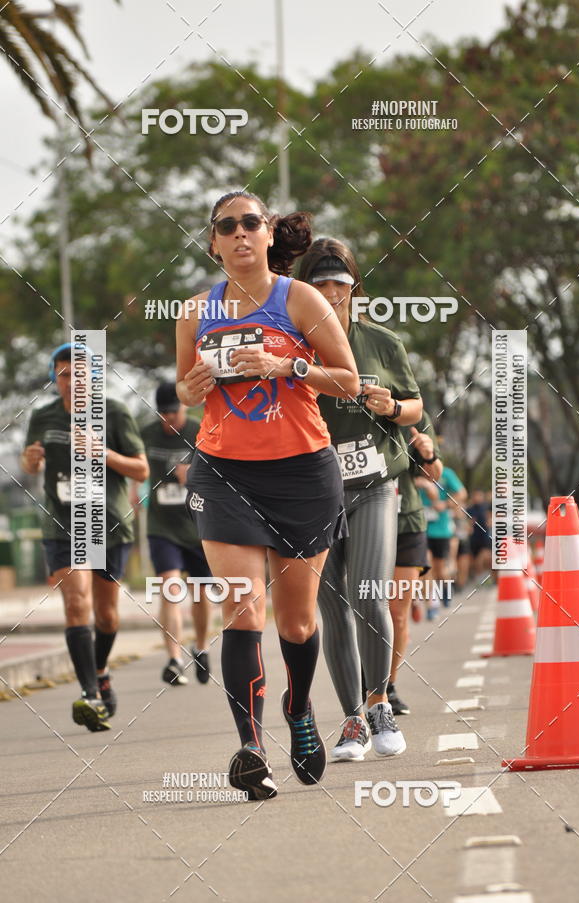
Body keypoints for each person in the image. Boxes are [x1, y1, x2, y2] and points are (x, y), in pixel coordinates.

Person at [176, 191, 359, 799]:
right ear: (213, 242)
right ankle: (251, 748)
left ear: (268, 232)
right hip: (224, 472)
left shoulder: (299, 298)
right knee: (242, 608)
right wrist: (194, 384)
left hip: (304, 472)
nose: (238, 234)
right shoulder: (193, 310)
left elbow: (350, 381)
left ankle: (299, 707)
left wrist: (287, 367)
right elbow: (183, 390)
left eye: (250, 223)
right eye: (225, 227)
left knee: (298, 620)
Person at [298, 238, 423, 762]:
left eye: (341, 285)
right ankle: (351, 721)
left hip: (375, 484)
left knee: (369, 591)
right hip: (312, 488)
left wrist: (392, 405)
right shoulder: (293, 347)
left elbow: (416, 409)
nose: (331, 294)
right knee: (331, 605)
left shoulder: (381, 343)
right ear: (306, 291)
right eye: (321, 286)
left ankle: (378, 705)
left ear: (355, 289)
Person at [21, 344, 148, 731]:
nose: (72, 380)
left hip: (107, 524)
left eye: (80, 373)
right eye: (63, 373)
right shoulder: (42, 417)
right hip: (61, 523)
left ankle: (100, 669)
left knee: (107, 615)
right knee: (77, 605)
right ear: (53, 378)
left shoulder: (114, 412)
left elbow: (141, 470)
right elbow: (30, 465)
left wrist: (102, 452)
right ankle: (91, 694)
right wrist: (30, 461)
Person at [136, 381, 212, 687]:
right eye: (164, 413)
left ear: (185, 407)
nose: (170, 419)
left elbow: (220, 473)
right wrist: (134, 489)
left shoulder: (200, 429)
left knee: (201, 592)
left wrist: (191, 476)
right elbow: (137, 466)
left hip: (197, 526)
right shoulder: (147, 434)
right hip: (162, 527)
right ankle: (174, 658)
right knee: (169, 587)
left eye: (175, 412)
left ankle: (201, 646)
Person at [388, 412, 443, 716]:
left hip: (406, 522)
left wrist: (428, 452)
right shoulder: (345, 407)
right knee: (365, 608)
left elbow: (435, 472)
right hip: (357, 522)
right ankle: (361, 683)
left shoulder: (414, 416)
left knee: (397, 611)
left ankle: (387, 686)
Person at [417, 463, 467, 618]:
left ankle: (446, 589)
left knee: (440, 569)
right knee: (425, 567)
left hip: (441, 529)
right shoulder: (414, 472)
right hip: (420, 527)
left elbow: (462, 493)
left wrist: (445, 504)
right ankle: (432, 604)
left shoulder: (446, 473)